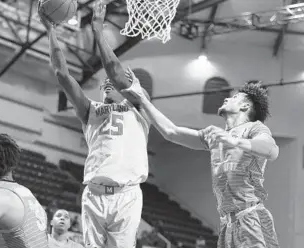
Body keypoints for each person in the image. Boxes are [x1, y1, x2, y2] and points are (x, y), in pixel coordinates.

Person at [38, 1, 151, 247]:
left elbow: (114, 69)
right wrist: (50, 31)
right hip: (94, 194)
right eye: (106, 83)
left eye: (123, 81)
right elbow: (62, 75)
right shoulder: (90, 110)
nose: (111, 82)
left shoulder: (139, 108)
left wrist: (98, 31)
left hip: (127, 194)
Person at [123, 74, 280, 248]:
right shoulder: (214, 136)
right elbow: (171, 132)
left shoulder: (253, 128)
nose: (228, 97)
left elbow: (272, 150)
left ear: (245, 106)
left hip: (251, 218)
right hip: (227, 226)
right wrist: (142, 99)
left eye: (235, 97)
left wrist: (235, 141)